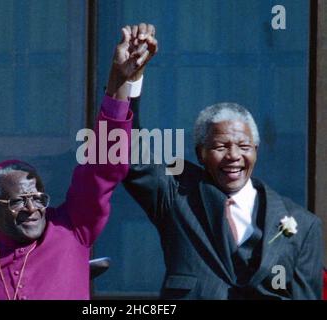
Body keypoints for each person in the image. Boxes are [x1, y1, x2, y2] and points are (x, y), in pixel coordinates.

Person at [0, 24, 158, 300]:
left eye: (37, 198)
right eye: (17, 201)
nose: (32, 208)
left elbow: (103, 166)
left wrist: (119, 80)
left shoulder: (72, 228)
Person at [122, 24, 323, 300]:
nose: (233, 156)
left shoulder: (303, 224)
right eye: (220, 146)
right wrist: (127, 80)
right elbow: (125, 153)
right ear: (200, 153)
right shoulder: (176, 193)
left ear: (256, 150)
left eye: (243, 146)